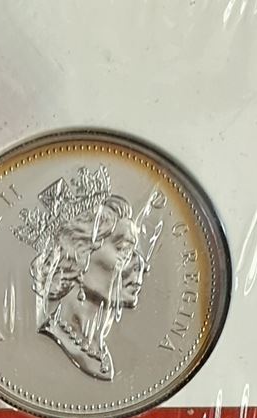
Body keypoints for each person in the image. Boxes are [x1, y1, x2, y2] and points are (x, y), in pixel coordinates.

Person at [15, 162, 164, 382]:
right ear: (78, 255)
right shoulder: (40, 351)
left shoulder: (100, 353)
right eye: (124, 249)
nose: (142, 264)